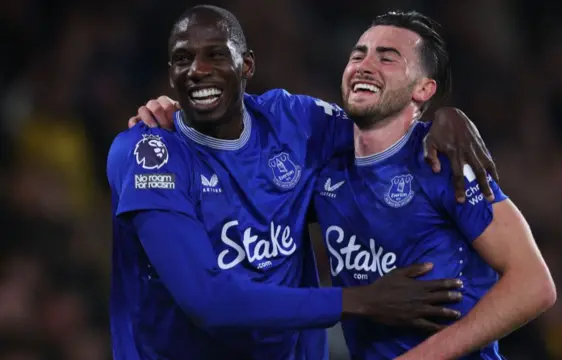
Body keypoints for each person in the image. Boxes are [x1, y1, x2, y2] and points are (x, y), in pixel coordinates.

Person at [108, 6, 496, 360]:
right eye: (183, 59)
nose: (198, 69)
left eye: (216, 55)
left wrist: (442, 118)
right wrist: (359, 301)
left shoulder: (296, 124)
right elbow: (209, 301)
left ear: (247, 66)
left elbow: (386, 128)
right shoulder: (147, 155)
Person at [312, 11, 555, 359]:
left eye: (387, 58)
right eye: (358, 54)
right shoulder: (325, 167)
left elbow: (534, 284)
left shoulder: (441, 159)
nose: (364, 65)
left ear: (423, 88)